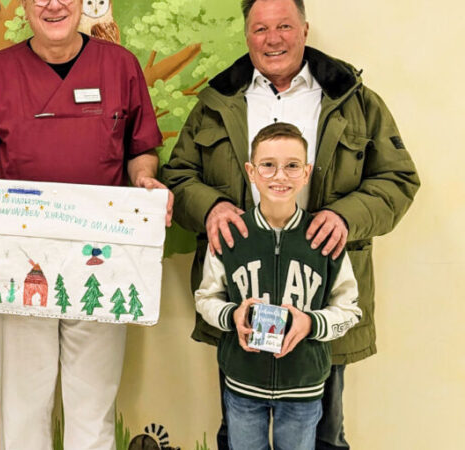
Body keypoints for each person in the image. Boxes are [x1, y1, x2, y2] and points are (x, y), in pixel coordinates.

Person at [161, 1, 420, 448]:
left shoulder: (354, 100)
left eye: (284, 25)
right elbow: (179, 176)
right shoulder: (216, 101)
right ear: (247, 35)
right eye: (260, 28)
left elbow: (398, 178)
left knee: (324, 431)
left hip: (317, 299)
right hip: (241, 303)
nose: (273, 38)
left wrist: (346, 216)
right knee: (238, 429)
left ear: (304, 29)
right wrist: (210, 208)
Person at [0, 1, 170, 449]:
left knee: (93, 407)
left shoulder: (120, 66)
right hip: (16, 264)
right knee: (23, 407)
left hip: (101, 265)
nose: (53, 5)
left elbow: (141, 150)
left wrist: (145, 179)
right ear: (25, 6)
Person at [195, 122, 362, 450]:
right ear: (251, 171)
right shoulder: (230, 235)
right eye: (268, 165)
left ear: (306, 172)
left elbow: (350, 310)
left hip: (304, 387)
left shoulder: (325, 237)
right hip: (243, 385)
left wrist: (311, 322)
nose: (280, 176)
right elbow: (206, 298)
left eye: (292, 166)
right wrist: (234, 315)